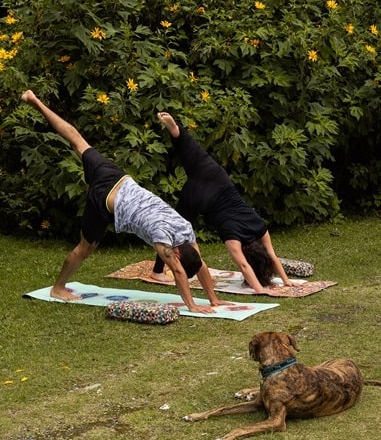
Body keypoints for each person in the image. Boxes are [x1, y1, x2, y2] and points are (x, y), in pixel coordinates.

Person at [20, 91, 228, 314]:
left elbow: (200, 264)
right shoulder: (164, 241)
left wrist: (213, 299)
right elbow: (178, 272)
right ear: (176, 255)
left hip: (117, 178)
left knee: (79, 142)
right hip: (104, 201)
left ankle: (34, 100)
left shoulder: (186, 230)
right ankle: (58, 288)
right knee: (85, 248)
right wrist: (193, 306)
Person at [152, 112, 295, 293]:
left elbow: (272, 256)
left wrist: (286, 279)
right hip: (201, 197)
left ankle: (177, 132)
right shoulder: (233, 239)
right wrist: (260, 289)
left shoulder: (260, 227)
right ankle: (157, 271)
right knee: (174, 230)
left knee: (195, 153)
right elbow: (244, 266)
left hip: (217, 178)